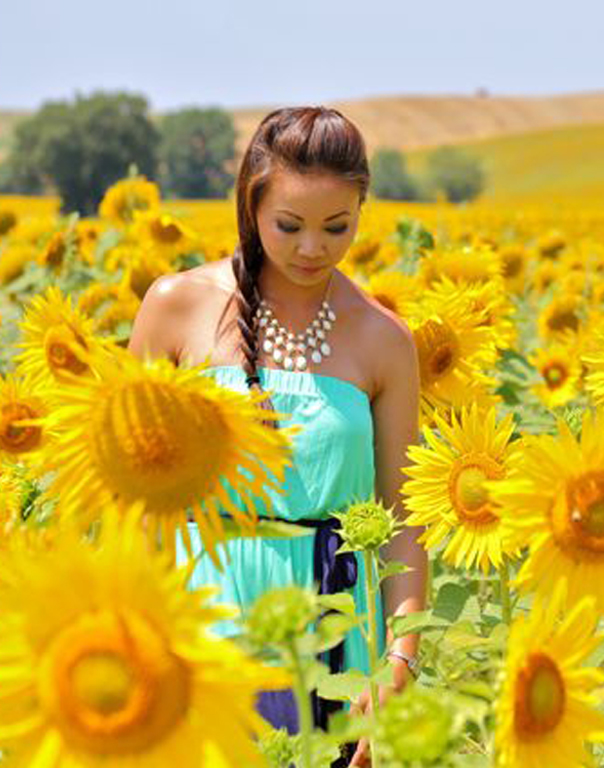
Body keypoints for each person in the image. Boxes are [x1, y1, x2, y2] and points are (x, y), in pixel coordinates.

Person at [127, 106, 426, 768]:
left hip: (335, 641)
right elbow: (131, 496)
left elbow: (405, 521)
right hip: (196, 622)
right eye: (288, 226)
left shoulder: (383, 341)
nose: (312, 248)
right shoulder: (177, 305)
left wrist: (397, 662)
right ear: (251, 204)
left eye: (337, 227)